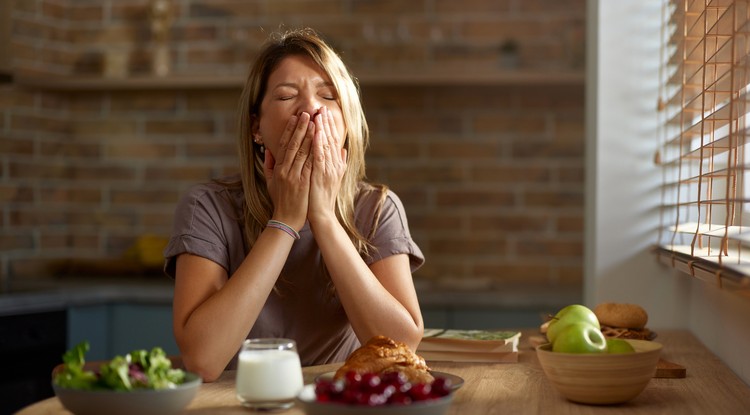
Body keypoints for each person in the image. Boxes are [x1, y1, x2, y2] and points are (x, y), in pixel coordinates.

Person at [164, 28, 425, 382]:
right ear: (256, 127)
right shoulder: (207, 207)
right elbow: (203, 359)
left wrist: (323, 218)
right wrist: (284, 221)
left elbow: (402, 347)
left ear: (346, 123)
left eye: (328, 96)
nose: (312, 108)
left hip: (339, 402)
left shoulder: (378, 208)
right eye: (287, 96)